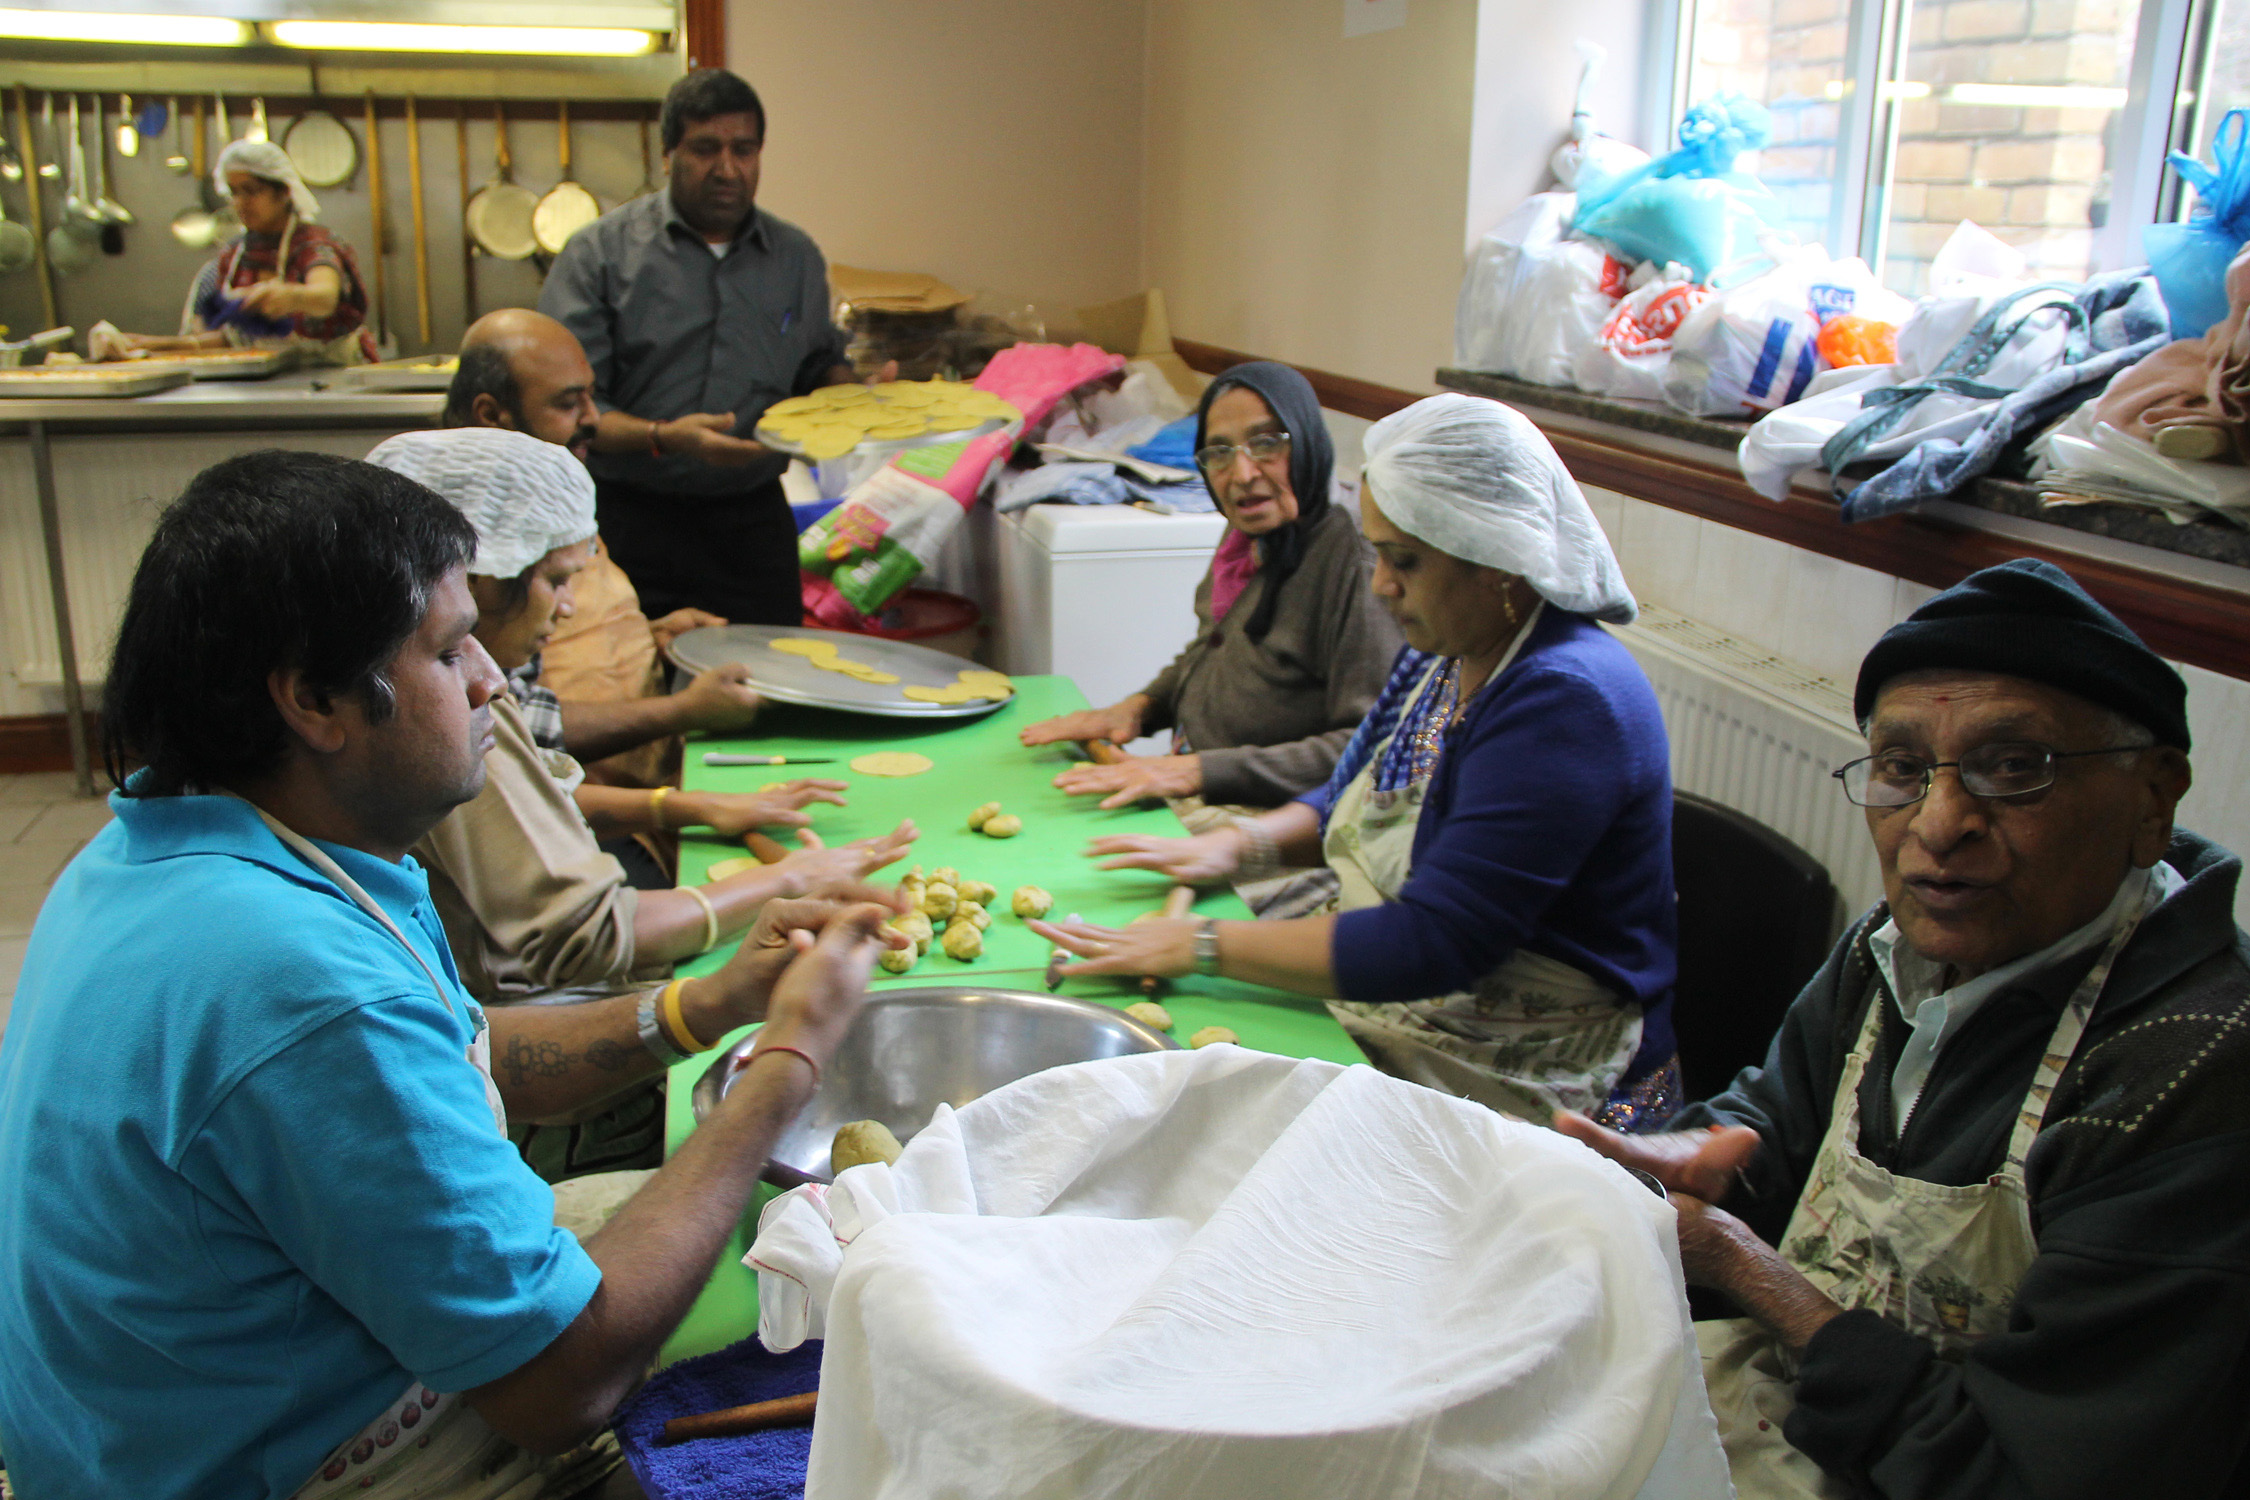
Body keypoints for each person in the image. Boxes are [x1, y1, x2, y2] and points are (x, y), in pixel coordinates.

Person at [0, 447, 904, 1500]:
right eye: (449, 649)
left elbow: (446, 1056)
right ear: (315, 702)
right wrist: (786, 1063)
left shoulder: (181, 849)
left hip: (166, 1416)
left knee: (750, 1241)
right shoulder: (297, 979)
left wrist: (698, 1007)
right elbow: (561, 1385)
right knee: (862, 1405)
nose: (490, 684)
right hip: (274, 1468)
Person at [1560, 558, 2250, 1498]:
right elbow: (1777, 1126)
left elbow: (2020, 1475)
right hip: (1796, 1418)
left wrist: (1746, 1267)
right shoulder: (1892, 949)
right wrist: (1696, 1154)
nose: (1940, 823)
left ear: (2152, 801)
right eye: (1902, 768)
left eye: (2016, 768)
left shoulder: (2190, 1074)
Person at [1034, 394, 1680, 1129]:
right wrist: (1231, 849)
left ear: (1498, 557)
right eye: (1378, 555)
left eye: (1404, 561)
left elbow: (1435, 943)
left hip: (1539, 1064)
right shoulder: (1449, 651)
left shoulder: (1564, 701)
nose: (1381, 584)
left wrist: (1202, 943)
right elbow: (1351, 795)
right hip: (1434, 998)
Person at [366, 426, 913, 1014]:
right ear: (475, 580)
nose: (570, 605)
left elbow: (537, 802)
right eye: (555, 580)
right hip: (525, 1025)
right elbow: (588, 935)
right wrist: (789, 881)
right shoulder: (452, 707)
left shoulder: (435, 674)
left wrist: (686, 806)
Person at [540, 68, 880, 625]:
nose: (727, 169)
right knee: (635, 688)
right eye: (705, 149)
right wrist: (663, 439)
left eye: (743, 150)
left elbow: (817, 366)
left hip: (752, 525)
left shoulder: (794, 257)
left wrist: (860, 396)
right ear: (668, 153)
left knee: (768, 686)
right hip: (631, 520)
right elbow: (567, 411)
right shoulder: (600, 254)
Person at [1018, 362, 1404, 811]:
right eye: (1218, 452)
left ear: (1308, 442)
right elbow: (1217, 651)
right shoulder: (1250, 536)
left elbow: (1374, 747)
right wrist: (1141, 708)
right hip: (1198, 778)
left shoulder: (1353, 559)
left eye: (1266, 444)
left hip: (1279, 816)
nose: (1241, 474)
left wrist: (1196, 772)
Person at [442, 308, 750, 796]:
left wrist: (646, 638)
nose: (593, 419)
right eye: (569, 403)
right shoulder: (472, 538)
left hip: (647, 781)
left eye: (591, 395)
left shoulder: (549, 490)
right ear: (490, 414)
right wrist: (682, 713)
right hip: (592, 807)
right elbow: (513, 722)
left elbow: (553, 648)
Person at [101, 139, 376, 365]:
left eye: (251, 191)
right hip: (259, 384)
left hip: (329, 376)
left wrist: (292, 295)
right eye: (234, 192)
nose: (241, 203)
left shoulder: (315, 245)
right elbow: (232, 339)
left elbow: (325, 297)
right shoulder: (234, 255)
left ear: (283, 193)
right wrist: (148, 346)